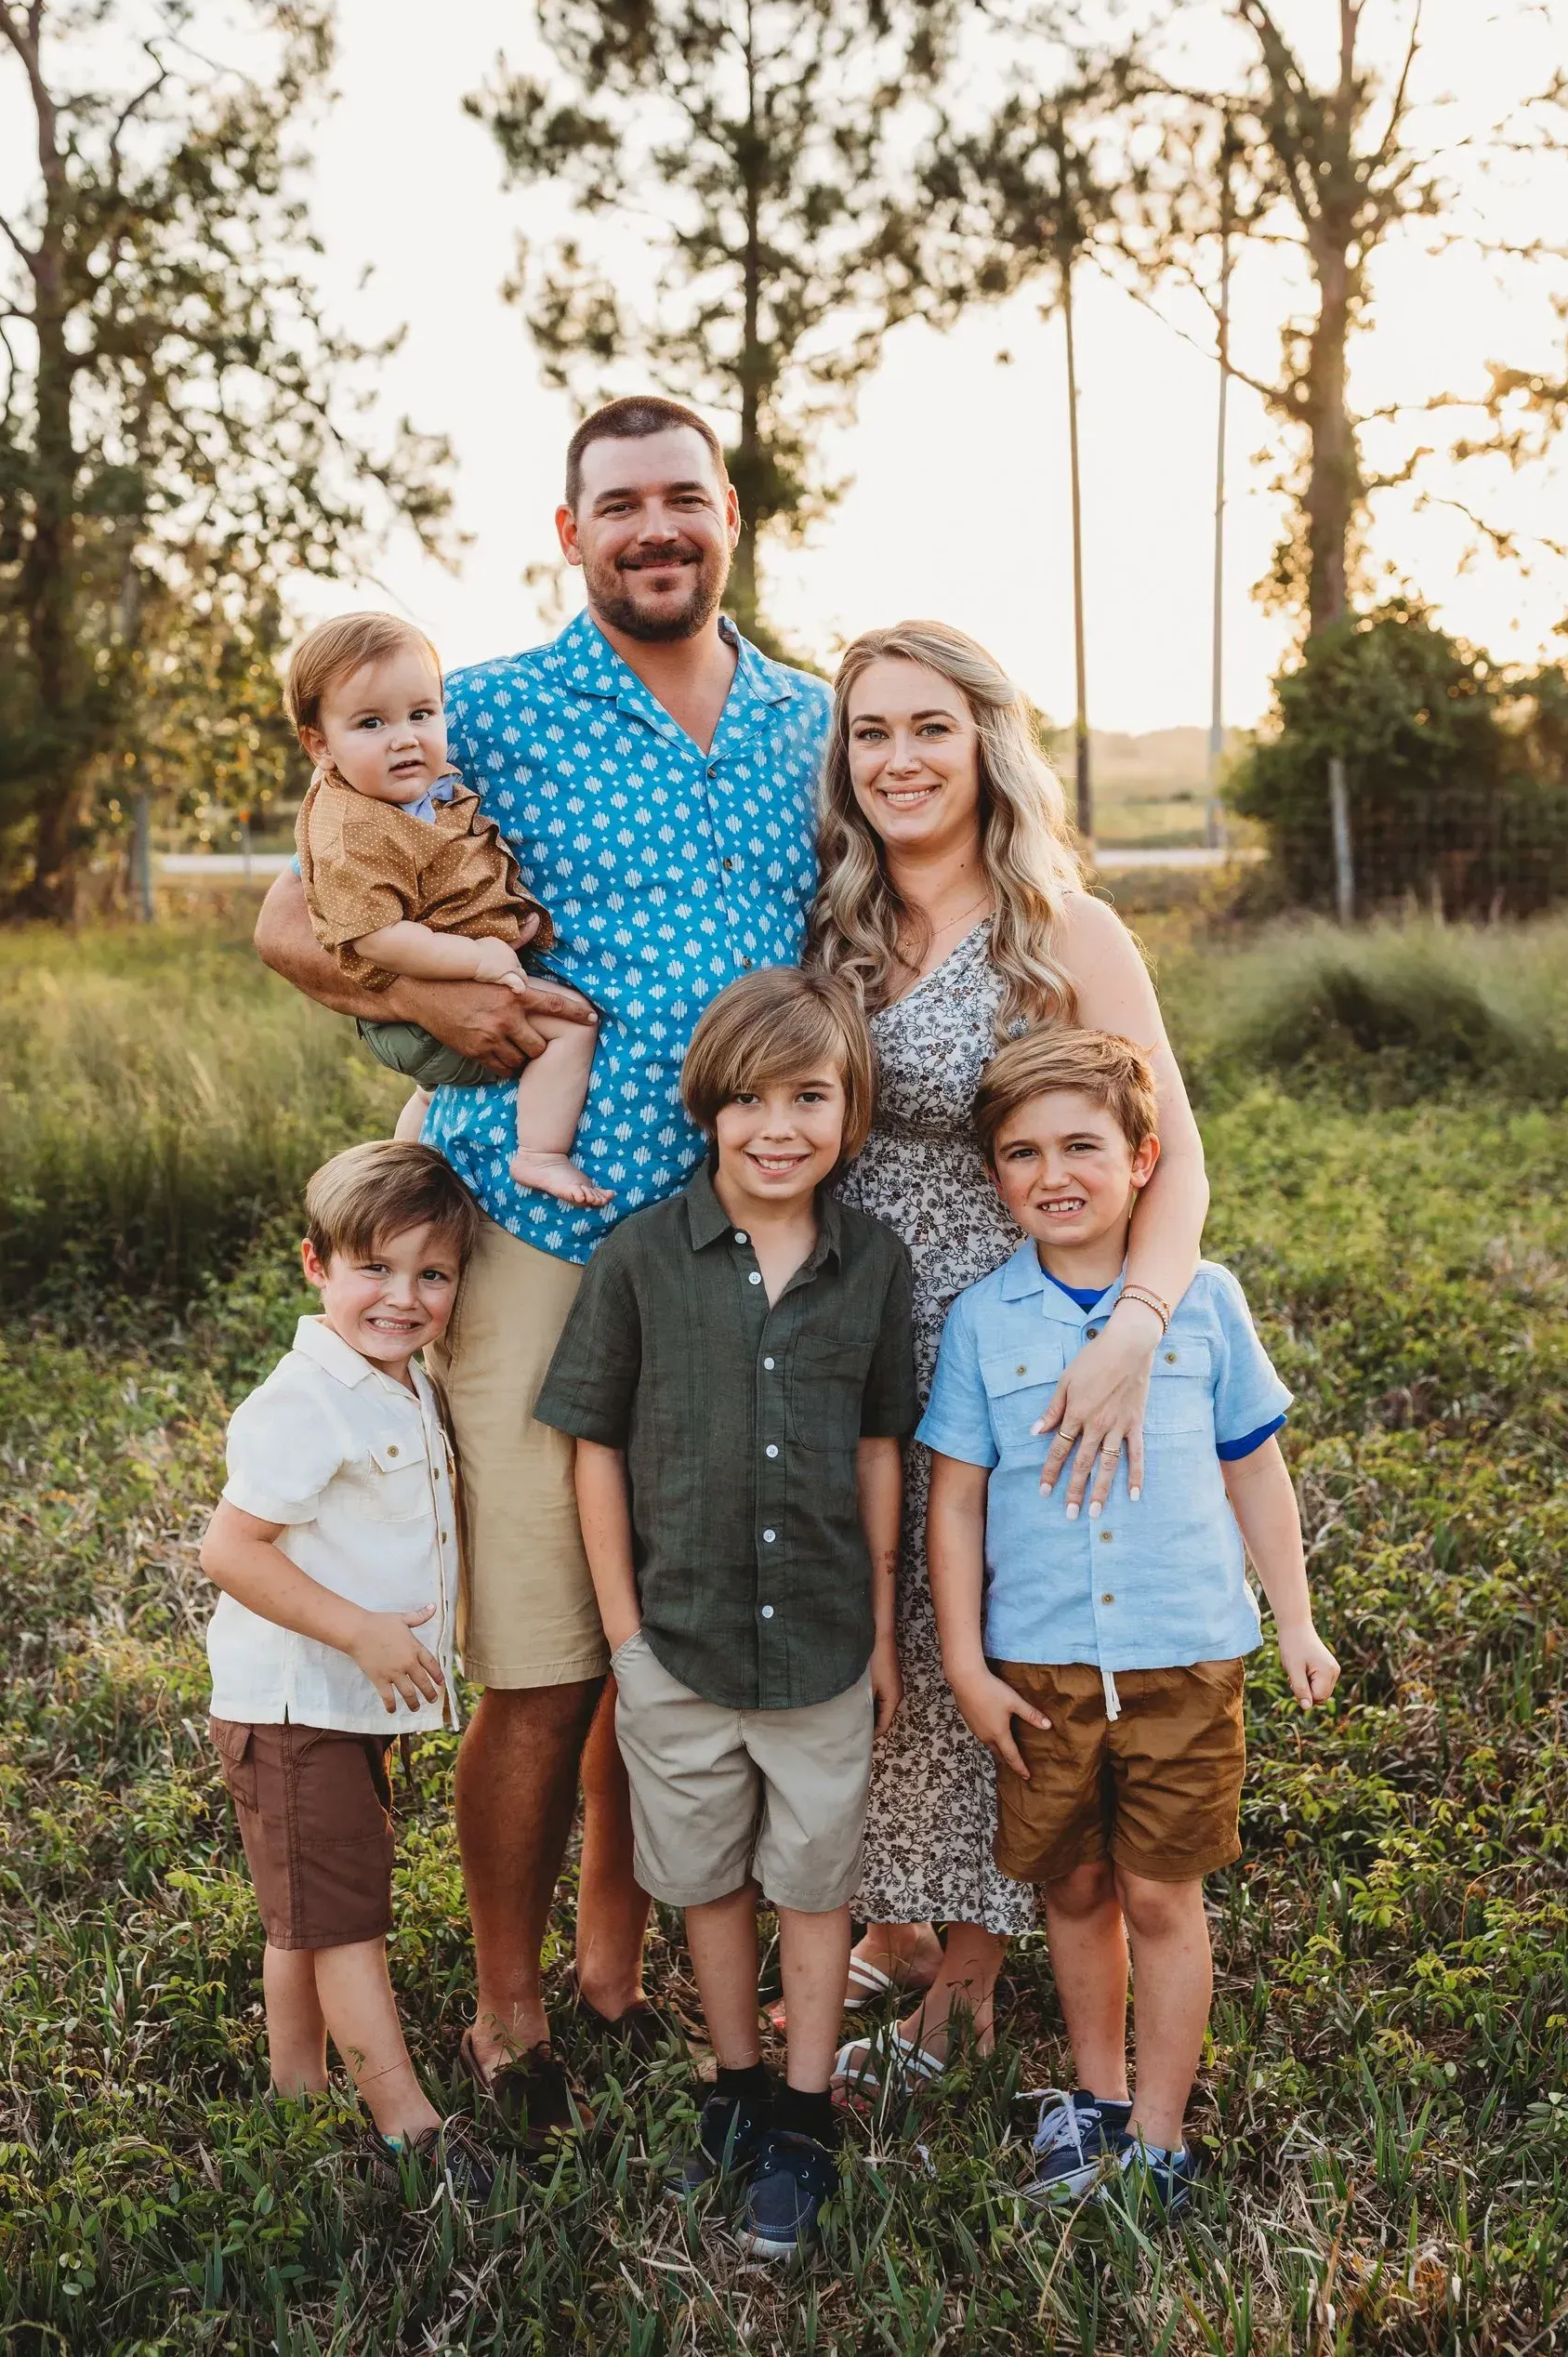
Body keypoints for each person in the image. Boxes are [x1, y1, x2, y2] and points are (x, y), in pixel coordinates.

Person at [253, 396, 830, 2142]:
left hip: (749, 1245)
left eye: (683, 499)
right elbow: (296, 911)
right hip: (544, 1227)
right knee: (543, 1646)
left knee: (663, 1624)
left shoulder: (814, 718)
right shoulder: (480, 710)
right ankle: (510, 1995)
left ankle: (610, 1947)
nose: (655, 528)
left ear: (726, 516)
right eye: (618, 507)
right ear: (569, 533)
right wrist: (432, 1002)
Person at [802, 622, 1212, 2094]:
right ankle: (900, 1922)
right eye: (870, 734)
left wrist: (1135, 1338)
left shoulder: (1066, 931)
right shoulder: (830, 922)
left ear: (986, 743)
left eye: (929, 728)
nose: (899, 760)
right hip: (851, 1309)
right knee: (888, 1625)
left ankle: (967, 1983)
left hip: (1013, 1322)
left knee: (993, 1617)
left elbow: (1179, 1165)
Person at [922, 1028, 1338, 2213]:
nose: (1054, 1173)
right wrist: (963, 1658)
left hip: (1183, 1659)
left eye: (1082, 1146)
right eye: (1021, 1153)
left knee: (1160, 1893)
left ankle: (1159, 2139)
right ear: (995, 1177)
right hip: (1040, 1668)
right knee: (1073, 1891)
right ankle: (1093, 2108)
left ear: (1145, 1158)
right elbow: (954, 1499)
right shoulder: (983, 1320)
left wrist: (1296, 1623)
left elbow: (1258, 1472)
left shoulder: (1202, 1306)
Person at [539, 968, 914, 2258]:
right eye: (749, 1099)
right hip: (680, 1647)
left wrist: (879, 1630)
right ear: (708, 1107)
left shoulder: (873, 1263)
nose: (777, 1127)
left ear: (851, 1110)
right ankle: (737, 2085)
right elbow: (592, 1444)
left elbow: (878, 1446)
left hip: (822, 1646)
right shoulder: (643, 1256)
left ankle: (807, 2110)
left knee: (813, 1883)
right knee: (704, 1879)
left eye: (809, 1097)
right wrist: (626, 1638)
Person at [198, 1140, 494, 2195]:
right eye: (376, 1268)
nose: (403, 1298)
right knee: (346, 1926)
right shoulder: (306, 1399)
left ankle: (294, 2088)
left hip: (333, 1708)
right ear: (315, 1265)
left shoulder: (394, 1382)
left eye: (433, 1275)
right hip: (295, 1704)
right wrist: (363, 1631)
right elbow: (230, 1551)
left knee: (309, 1913)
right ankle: (409, 2125)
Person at [286, 610, 609, 1210]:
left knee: (433, 1093)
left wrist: (509, 923)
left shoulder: (407, 792)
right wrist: (480, 957)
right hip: (413, 999)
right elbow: (377, 938)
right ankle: (539, 1153)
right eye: (371, 723)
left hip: (439, 981)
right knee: (572, 1026)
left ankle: (401, 1165)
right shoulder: (351, 829)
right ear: (320, 745)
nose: (405, 737)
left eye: (421, 714)